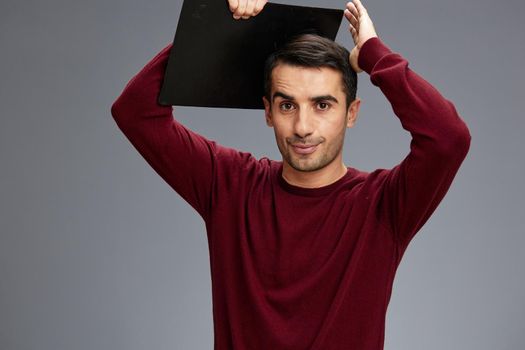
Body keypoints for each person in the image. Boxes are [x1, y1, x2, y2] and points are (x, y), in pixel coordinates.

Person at [110, 0, 471, 349]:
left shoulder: (384, 205)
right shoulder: (229, 185)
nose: (302, 127)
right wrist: (223, 27)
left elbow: (447, 138)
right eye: (287, 105)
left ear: (352, 112)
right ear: (267, 111)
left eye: (322, 105)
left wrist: (375, 55)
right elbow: (135, 110)